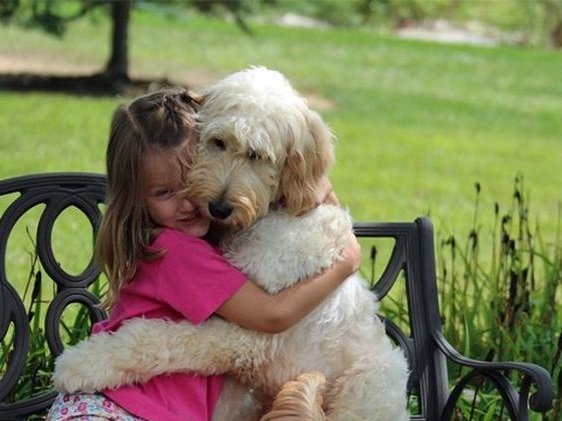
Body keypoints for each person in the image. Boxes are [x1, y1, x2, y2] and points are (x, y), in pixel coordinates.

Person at [47, 87, 361, 421]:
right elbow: (272, 316)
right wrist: (345, 262)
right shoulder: (177, 252)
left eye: (192, 180)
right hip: (120, 410)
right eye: (164, 192)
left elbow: (309, 184)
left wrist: (315, 182)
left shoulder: (182, 240)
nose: (187, 201)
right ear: (137, 197)